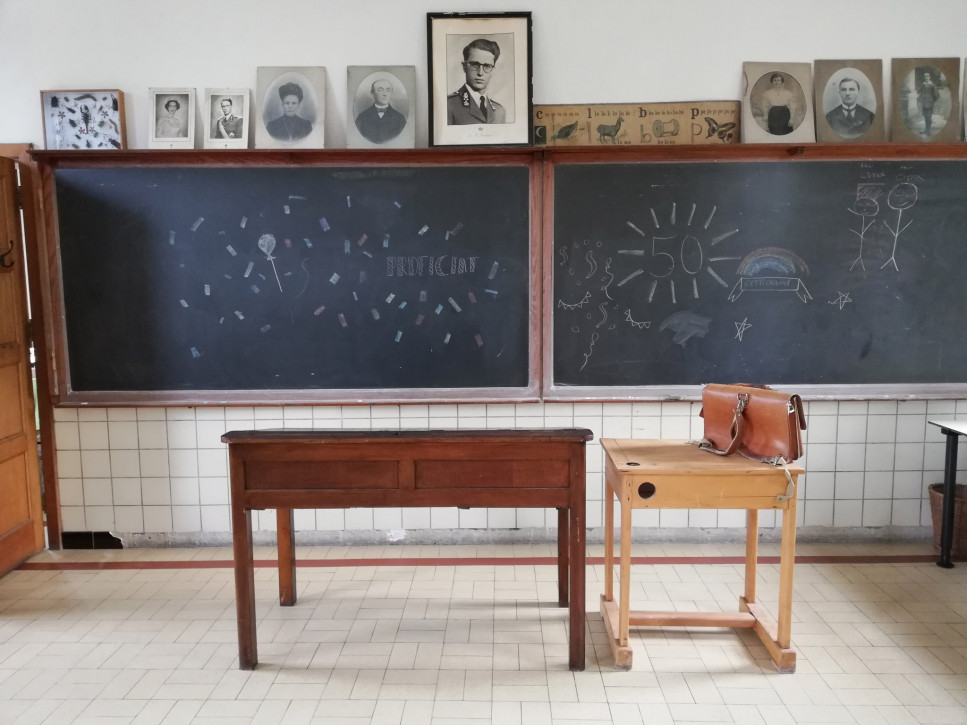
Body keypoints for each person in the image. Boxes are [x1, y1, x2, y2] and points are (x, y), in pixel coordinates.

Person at [446, 38, 506, 125]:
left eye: (487, 66)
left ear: (493, 70)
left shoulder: (499, 111)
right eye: (474, 64)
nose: (480, 73)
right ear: (464, 67)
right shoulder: (449, 105)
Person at [354, 78, 406, 143]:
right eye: (380, 90)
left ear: (391, 93)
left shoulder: (400, 118)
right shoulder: (361, 118)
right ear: (372, 93)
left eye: (388, 90)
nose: (385, 94)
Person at [917, 71, 940, 136]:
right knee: (925, 117)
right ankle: (925, 130)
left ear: (929, 77)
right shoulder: (923, 85)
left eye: (927, 76)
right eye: (924, 76)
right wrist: (920, 99)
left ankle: (928, 131)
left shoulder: (932, 85)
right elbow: (920, 92)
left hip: (929, 104)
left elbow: (936, 95)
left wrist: (932, 100)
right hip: (923, 104)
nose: (926, 77)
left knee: (929, 118)